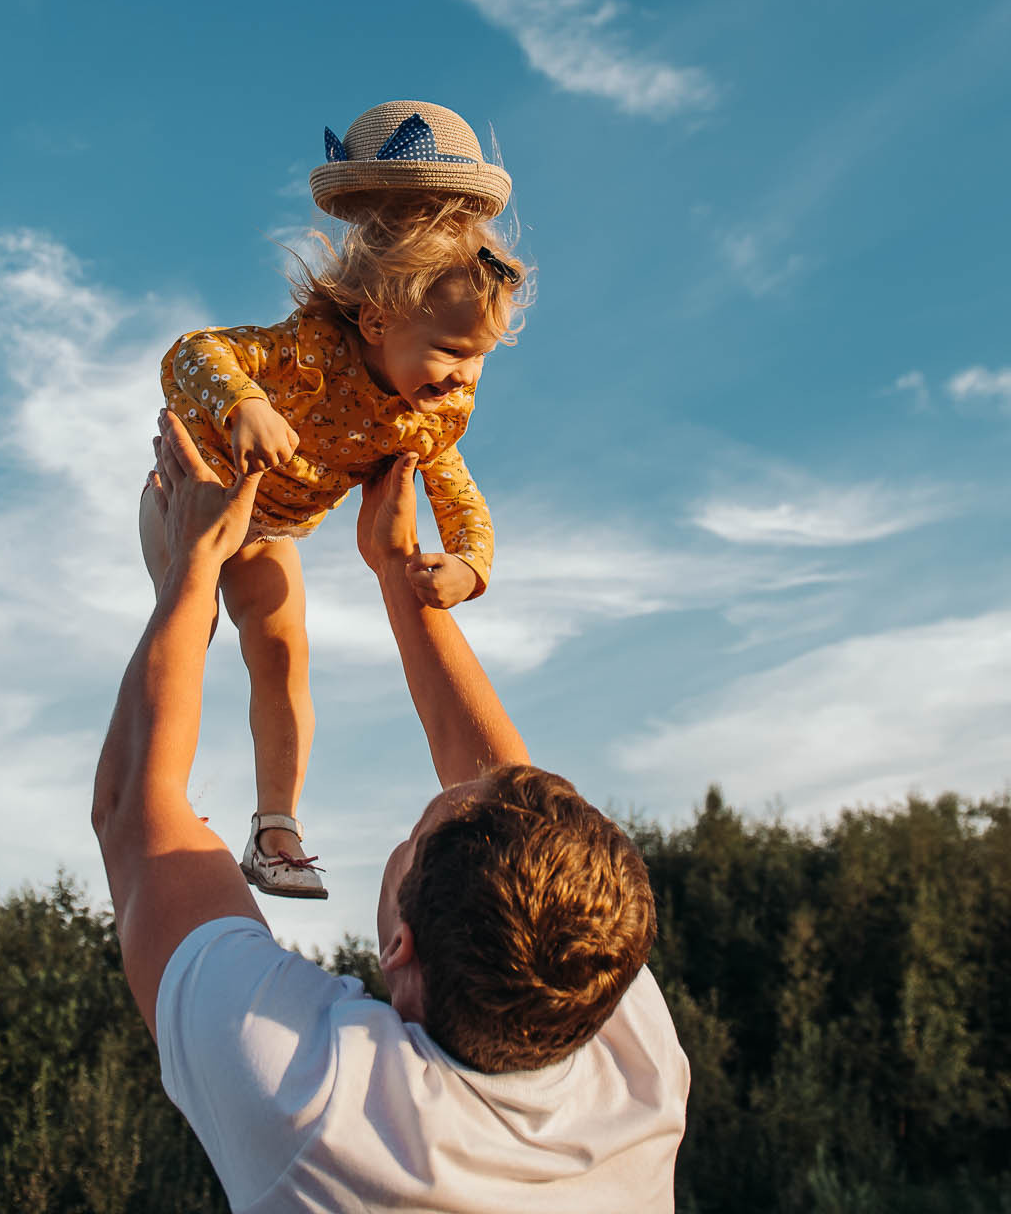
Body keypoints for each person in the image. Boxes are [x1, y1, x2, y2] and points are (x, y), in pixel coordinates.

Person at [93, 410, 689, 1213]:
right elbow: (516, 798)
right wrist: (398, 569)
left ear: (402, 944)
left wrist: (192, 568)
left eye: (416, 833)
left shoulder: (315, 1102)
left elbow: (135, 809)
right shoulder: (630, 1062)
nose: (456, 785)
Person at [150, 98, 528, 901]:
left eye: (480, 358)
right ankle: (160, 803)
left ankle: (275, 830)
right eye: (451, 351)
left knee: (282, 653)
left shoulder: (427, 414)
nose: (463, 376)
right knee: (193, 623)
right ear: (378, 318)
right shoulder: (309, 352)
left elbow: (462, 501)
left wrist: (468, 568)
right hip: (200, 499)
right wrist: (242, 405)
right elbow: (192, 353)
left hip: (270, 527)